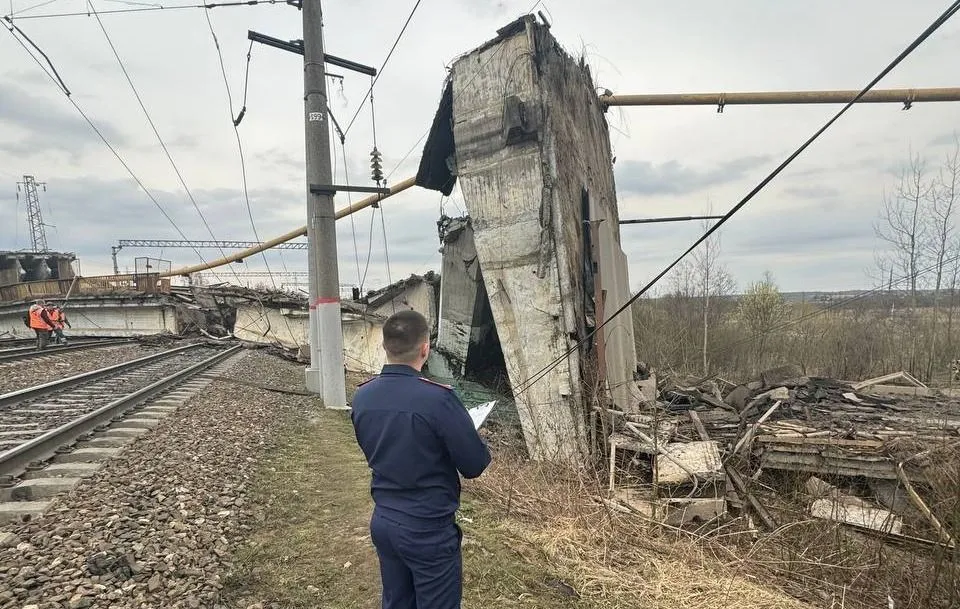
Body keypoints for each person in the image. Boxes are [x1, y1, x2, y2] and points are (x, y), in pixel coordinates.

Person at [350, 310, 491, 609]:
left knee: (397, 602)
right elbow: (474, 465)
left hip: (384, 521)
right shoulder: (439, 399)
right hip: (427, 528)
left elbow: (372, 446)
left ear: (385, 346)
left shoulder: (362, 396)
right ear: (425, 348)